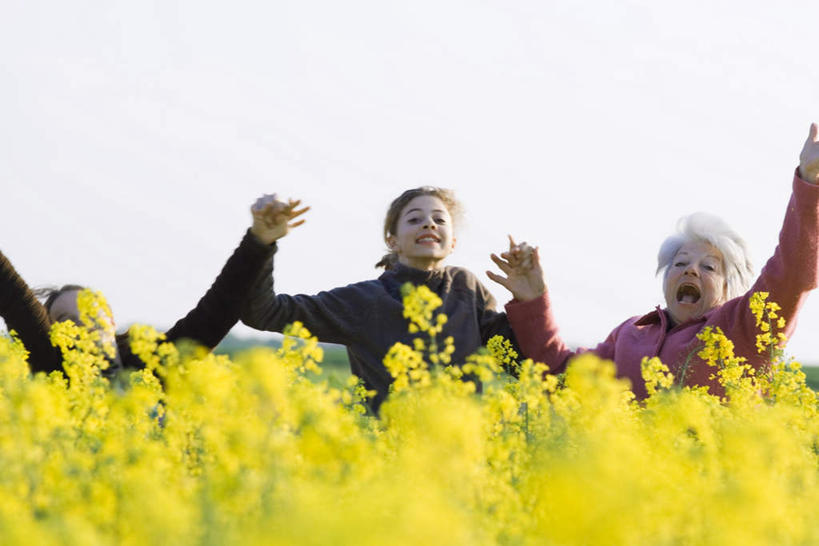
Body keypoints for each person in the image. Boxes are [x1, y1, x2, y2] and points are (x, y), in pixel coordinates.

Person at [488, 123, 819, 399]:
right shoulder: (631, 334)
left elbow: (793, 272)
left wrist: (810, 181)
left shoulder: (745, 325)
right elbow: (558, 373)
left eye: (708, 267)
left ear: (732, 286)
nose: (690, 269)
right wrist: (532, 299)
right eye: (679, 263)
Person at [241, 187, 518, 411]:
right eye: (414, 219)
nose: (429, 223)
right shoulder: (364, 300)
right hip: (393, 461)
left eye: (439, 219)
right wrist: (262, 243)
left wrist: (529, 297)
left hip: (462, 459)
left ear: (453, 242)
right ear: (393, 241)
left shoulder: (466, 287)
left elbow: (518, 358)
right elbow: (265, 312)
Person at [0, 199, 287, 375]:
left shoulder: (151, 368)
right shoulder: (49, 367)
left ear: (111, 322)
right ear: (50, 333)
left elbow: (215, 312)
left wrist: (258, 241)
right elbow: (11, 293)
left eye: (92, 313)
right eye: (67, 321)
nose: (84, 325)